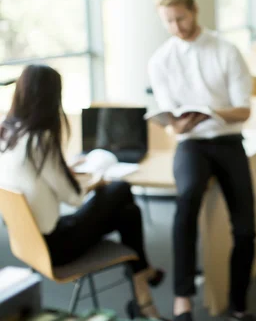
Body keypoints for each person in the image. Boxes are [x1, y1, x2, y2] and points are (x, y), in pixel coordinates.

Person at [0, 65, 166, 320]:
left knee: (129, 213)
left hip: (29, 242)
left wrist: (64, 168)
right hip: (58, 247)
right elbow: (74, 198)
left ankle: (143, 293)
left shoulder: (9, 133)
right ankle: (144, 278)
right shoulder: (40, 139)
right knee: (121, 188)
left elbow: (33, 176)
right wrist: (98, 179)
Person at [148, 0, 256, 321]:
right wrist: (175, 126)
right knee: (187, 200)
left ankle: (239, 304)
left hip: (227, 140)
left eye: (180, 18)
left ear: (194, 10)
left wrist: (212, 111)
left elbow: (244, 110)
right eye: (168, 22)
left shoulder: (226, 50)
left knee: (245, 228)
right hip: (191, 143)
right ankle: (182, 297)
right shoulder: (161, 60)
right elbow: (170, 119)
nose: (176, 28)